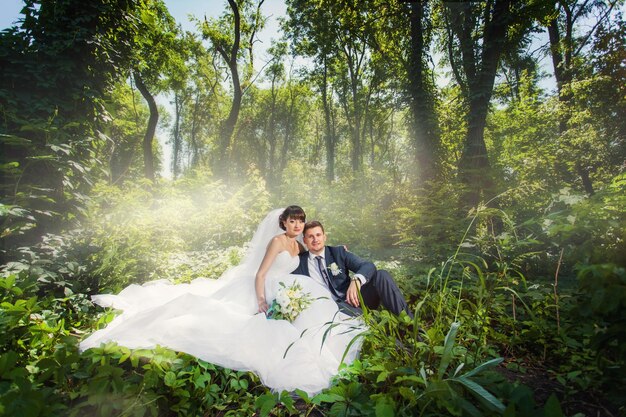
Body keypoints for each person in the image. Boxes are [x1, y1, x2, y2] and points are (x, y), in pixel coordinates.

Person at [79, 207, 363, 395]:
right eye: (293, 221)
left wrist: (339, 250)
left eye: (300, 221)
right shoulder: (277, 242)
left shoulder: (300, 244)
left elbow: (314, 254)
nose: (298, 225)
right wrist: (262, 300)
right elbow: (262, 273)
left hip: (290, 288)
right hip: (268, 288)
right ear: (283, 223)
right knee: (229, 319)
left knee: (316, 310)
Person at [293, 220, 412, 317]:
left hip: (355, 298)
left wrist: (356, 280)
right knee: (363, 321)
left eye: (318, 235)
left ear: (324, 237)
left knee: (382, 274)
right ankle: (396, 344)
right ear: (304, 240)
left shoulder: (338, 252)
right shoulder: (299, 262)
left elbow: (368, 266)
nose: (315, 240)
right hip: (331, 308)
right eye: (310, 236)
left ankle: (411, 325)